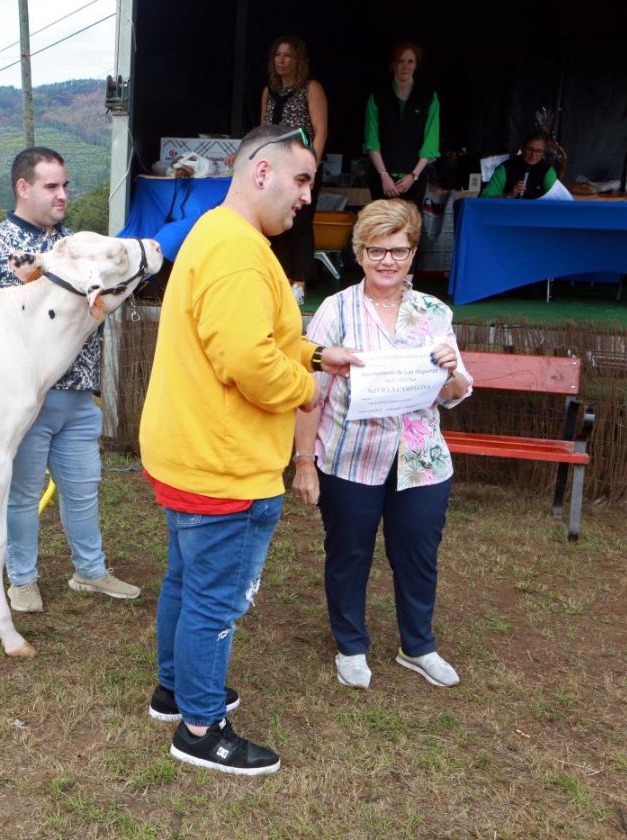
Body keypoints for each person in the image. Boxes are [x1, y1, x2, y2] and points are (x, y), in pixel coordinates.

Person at [138, 124, 360, 776]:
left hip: (192, 452)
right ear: (261, 174)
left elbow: (256, 336)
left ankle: (175, 691)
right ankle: (201, 729)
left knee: (186, 581)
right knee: (215, 601)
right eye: (300, 180)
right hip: (224, 465)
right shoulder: (238, 253)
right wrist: (307, 386)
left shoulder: (221, 235)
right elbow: (250, 362)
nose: (305, 197)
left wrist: (317, 351)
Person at [0, 147, 140, 611]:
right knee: (21, 492)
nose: (63, 195)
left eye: (65, 186)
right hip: (20, 399)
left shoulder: (79, 246)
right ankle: (21, 578)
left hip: (79, 393)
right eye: (51, 186)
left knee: (83, 487)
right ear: (23, 188)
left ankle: (90, 570)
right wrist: (20, 289)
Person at [293, 199, 471, 691]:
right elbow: (311, 392)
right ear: (360, 252)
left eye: (397, 250)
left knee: (417, 553)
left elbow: (457, 394)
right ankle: (351, 645)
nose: (387, 261)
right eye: (376, 250)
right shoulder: (337, 309)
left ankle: (418, 646)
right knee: (349, 552)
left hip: (420, 459)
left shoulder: (433, 313)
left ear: (413, 252)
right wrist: (304, 463)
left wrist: (451, 368)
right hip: (350, 456)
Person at [259, 35, 328, 306]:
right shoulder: (268, 91)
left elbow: (320, 131)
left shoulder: (311, 88)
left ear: (298, 60)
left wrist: (312, 169)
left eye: (287, 55)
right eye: (277, 55)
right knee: (277, 224)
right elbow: (263, 132)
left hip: (301, 169)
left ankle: (299, 281)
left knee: (300, 224)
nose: (281, 60)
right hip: (275, 169)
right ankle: (280, 279)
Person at [364, 41, 440, 207]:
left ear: (416, 65)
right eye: (400, 61)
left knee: (410, 227)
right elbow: (372, 141)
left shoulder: (428, 97)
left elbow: (430, 143)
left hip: (414, 178)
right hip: (382, 177)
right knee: (382, 226)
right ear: (393, 64)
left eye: (410, 61)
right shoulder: (378, 96)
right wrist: (384, 175)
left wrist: (413, 176)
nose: (405, 66)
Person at [480, 131, 558, 199]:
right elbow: (485, 198)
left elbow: (557, 198)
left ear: (544, 152)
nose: (533, 155)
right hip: (509, 212)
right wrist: (510, 195)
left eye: (538, 151)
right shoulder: (505, 168)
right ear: (522, 148)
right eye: (530, 149)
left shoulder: (547, 170)